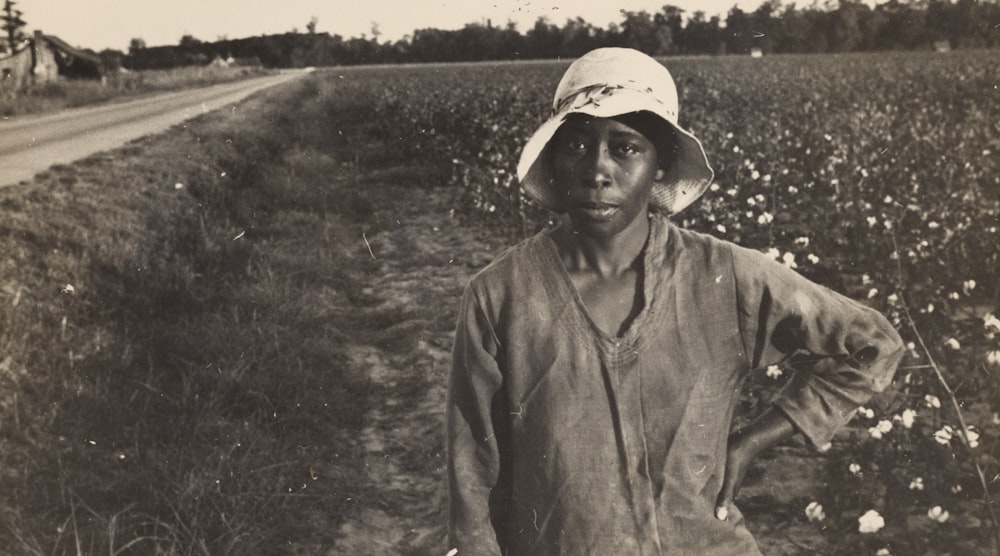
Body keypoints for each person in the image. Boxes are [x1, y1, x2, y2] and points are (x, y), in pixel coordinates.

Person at [446, 47, 903, 555]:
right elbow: (472, 477)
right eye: (576, 144)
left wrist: (750, 443)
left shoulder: (724, 276)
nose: (597, 169)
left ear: (660, 165)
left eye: (625, 148)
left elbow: (872, 345)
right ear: (554, 158)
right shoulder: (501, 295)